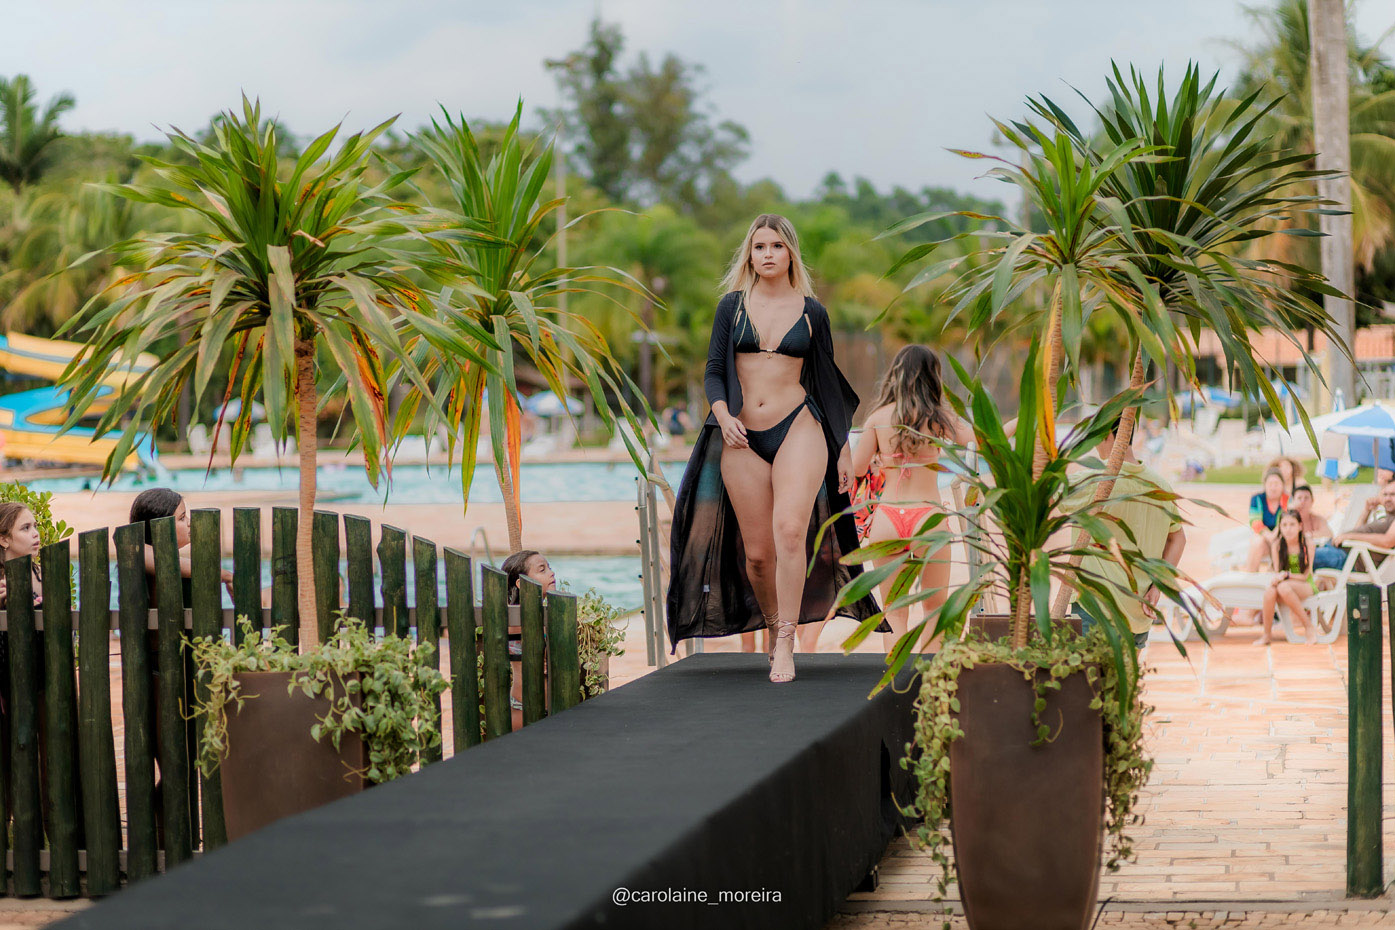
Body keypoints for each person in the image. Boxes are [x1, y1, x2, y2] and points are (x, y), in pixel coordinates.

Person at [666, 214, 881, 683]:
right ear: (749, 254)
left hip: (798, 425)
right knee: (759, 555)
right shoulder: (731, 307)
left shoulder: (812, 312)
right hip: (741, 433)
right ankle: (770, 623)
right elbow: (713, 371)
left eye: (777, 246)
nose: (767, 254)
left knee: (789, 529)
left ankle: (786, 639)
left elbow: (826, 382)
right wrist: (723, 415)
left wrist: (843, 448)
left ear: (790, 254)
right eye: (759, 246)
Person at [850, 345, 973, 650]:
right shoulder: (939, 418)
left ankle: (895, 678)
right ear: (933, 377)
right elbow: (980, 443)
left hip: (888, 519)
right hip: (928, 518)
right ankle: (929, 678)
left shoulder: (878, 417)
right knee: (935, 610)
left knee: (893, 612)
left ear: (895, 375)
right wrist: (1017, 425)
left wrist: (880, 460)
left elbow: (856, 468)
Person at [1068, 419, 1186, 649]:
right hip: (1138, 615)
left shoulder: (1096, 481)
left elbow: (1046, 494)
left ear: (1107, 436)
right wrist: (1158, 586)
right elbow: (1178, 538)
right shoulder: (1160, 485)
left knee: (1086, 674)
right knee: (1128, 675)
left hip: (1095, 610)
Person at [129, 489, 234, 603]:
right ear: (160, 525)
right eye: (182, 518)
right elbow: (163, 561)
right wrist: (227, 576)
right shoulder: (136, 552)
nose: (190, 523)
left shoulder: (179, 565)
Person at [1256, 510, 1318, 646]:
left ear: (1300, 526)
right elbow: (1278, 572)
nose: (1288, 529)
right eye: (1284, 525)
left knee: (1283, 587)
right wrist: (1278, 578)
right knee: (1270, 592)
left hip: (1305, 585)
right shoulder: (1277, 545)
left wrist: (1287, 575)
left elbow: (1306, 576)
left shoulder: (1308, 544)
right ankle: (1266, 635)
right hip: (1285, 586)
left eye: (1292, 525)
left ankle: (1308, 627)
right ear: (1280, 527)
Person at [1312, 479, 1395, 570]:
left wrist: (1349, 536)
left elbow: (1387, 541)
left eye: (1393, 495)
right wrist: (1366, 511)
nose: (1388, 499)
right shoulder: (1385, 517)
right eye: (1385, 495)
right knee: (1303, 553)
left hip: (1348, 559)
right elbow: (1357, 530)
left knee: (1304, 557)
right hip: (1338, 551)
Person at [0, 503, 43, 608]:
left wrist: (26, 599)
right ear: (4, 540)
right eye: (26, 528)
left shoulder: (45, 576)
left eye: (35, 526)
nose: (36, 533)